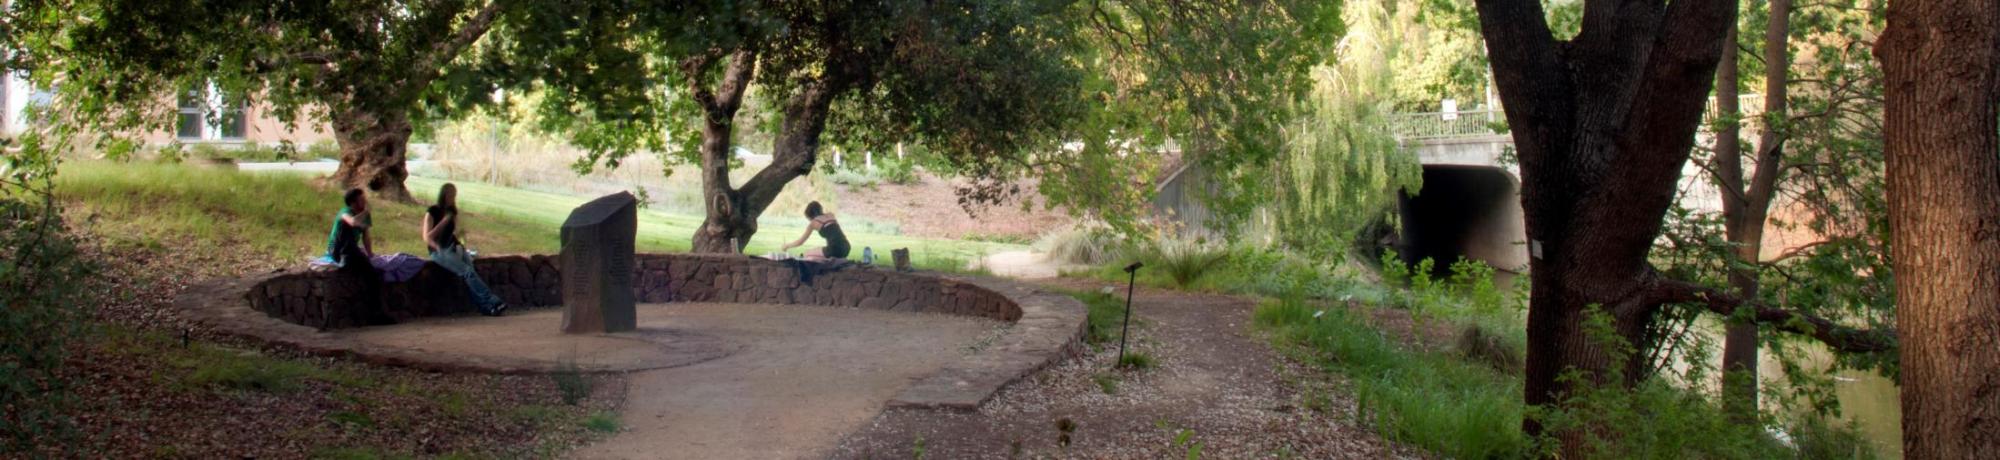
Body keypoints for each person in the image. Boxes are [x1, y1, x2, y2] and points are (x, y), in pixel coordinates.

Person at [423, 183, 508, 316]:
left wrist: (461, 240)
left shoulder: (452, 212)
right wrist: (444, 223)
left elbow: (453, 232)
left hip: (454, 246)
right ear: (444, 195)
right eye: (450, 195)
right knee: (467, 271)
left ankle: (486, 308)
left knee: (472, 273)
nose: (452, 198)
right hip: (439, 251)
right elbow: (427, 237)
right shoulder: (432, 211)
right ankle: (492, 300)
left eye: (454, 195)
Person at [326, 188, 391, 325]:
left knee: (373, 273)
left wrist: (370, 253)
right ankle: (376, 314)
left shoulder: (365, 215)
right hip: (339, 248)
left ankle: (376, 312)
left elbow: (366, 236)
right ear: (353, 202)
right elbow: (352, 222)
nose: (365, 201)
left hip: (353, 249)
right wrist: (366, 212)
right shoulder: (345, 212)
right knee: (370, 274)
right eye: (362, 199)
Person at [781, 201, 851, 260]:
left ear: (809, 215)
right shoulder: (831, 215)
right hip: (846, 247)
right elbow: (834, 234)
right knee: (818, 252)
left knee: (806, 254)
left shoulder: (813, 223)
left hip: (834, 249)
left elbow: (800, 242)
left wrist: (787, 246)